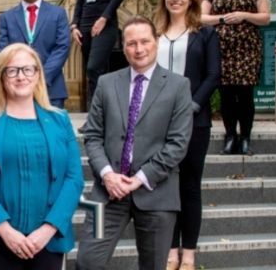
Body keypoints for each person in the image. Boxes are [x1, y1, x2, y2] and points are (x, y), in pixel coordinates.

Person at [76, 15, 193, 270]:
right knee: (87, 262)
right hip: (106, 195)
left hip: (156, 194)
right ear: (123, 45)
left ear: (156, 42)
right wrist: (108, 175)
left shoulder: (179, 86)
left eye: (144, 42)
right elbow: (93, 136)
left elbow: (178, 144)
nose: (138, 49)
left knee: (152, 266)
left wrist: (139, 178)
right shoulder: (107, 84)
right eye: (131, 43)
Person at [0, 43, 84, 270]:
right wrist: (4, 229)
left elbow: (74, 179)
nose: (21, 76)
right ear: (0, 76)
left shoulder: (60, 119)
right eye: (12, 70)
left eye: (28, 69)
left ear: (37, 75)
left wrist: (48, 229)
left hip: (46, 240)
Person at [154, 0, 220, 270]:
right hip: (157, 122)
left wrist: (192, 105)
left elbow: (213, 75)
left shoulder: (204, 33)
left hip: (195, 120)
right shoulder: (154, 32)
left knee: (190, 186)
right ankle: (169, 250)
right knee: (165, 185)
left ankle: (189, 252)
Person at [201, 0, 270, 155]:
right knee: (227, 96)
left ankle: (245, 137)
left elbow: (265, 17)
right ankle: (230, 136)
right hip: (220, 50)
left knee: (245, 95)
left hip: (247, 50)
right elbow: (200, 17)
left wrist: (243, 15)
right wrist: (223, 19)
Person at [0, 0, 70, 108]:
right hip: (17, 90)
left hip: (51, 90)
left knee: (52, 132)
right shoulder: (6, 18)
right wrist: (22, 77)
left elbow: (62, 48)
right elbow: (3, 52)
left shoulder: (58, 14)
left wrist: (41, 78)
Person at [71, 0, 127, 108]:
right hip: (85, 24)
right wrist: (74, 25)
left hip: (105, 24)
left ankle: (97, 116)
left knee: (93, 67)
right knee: (97, 72)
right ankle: (100, 115)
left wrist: (104, 18)